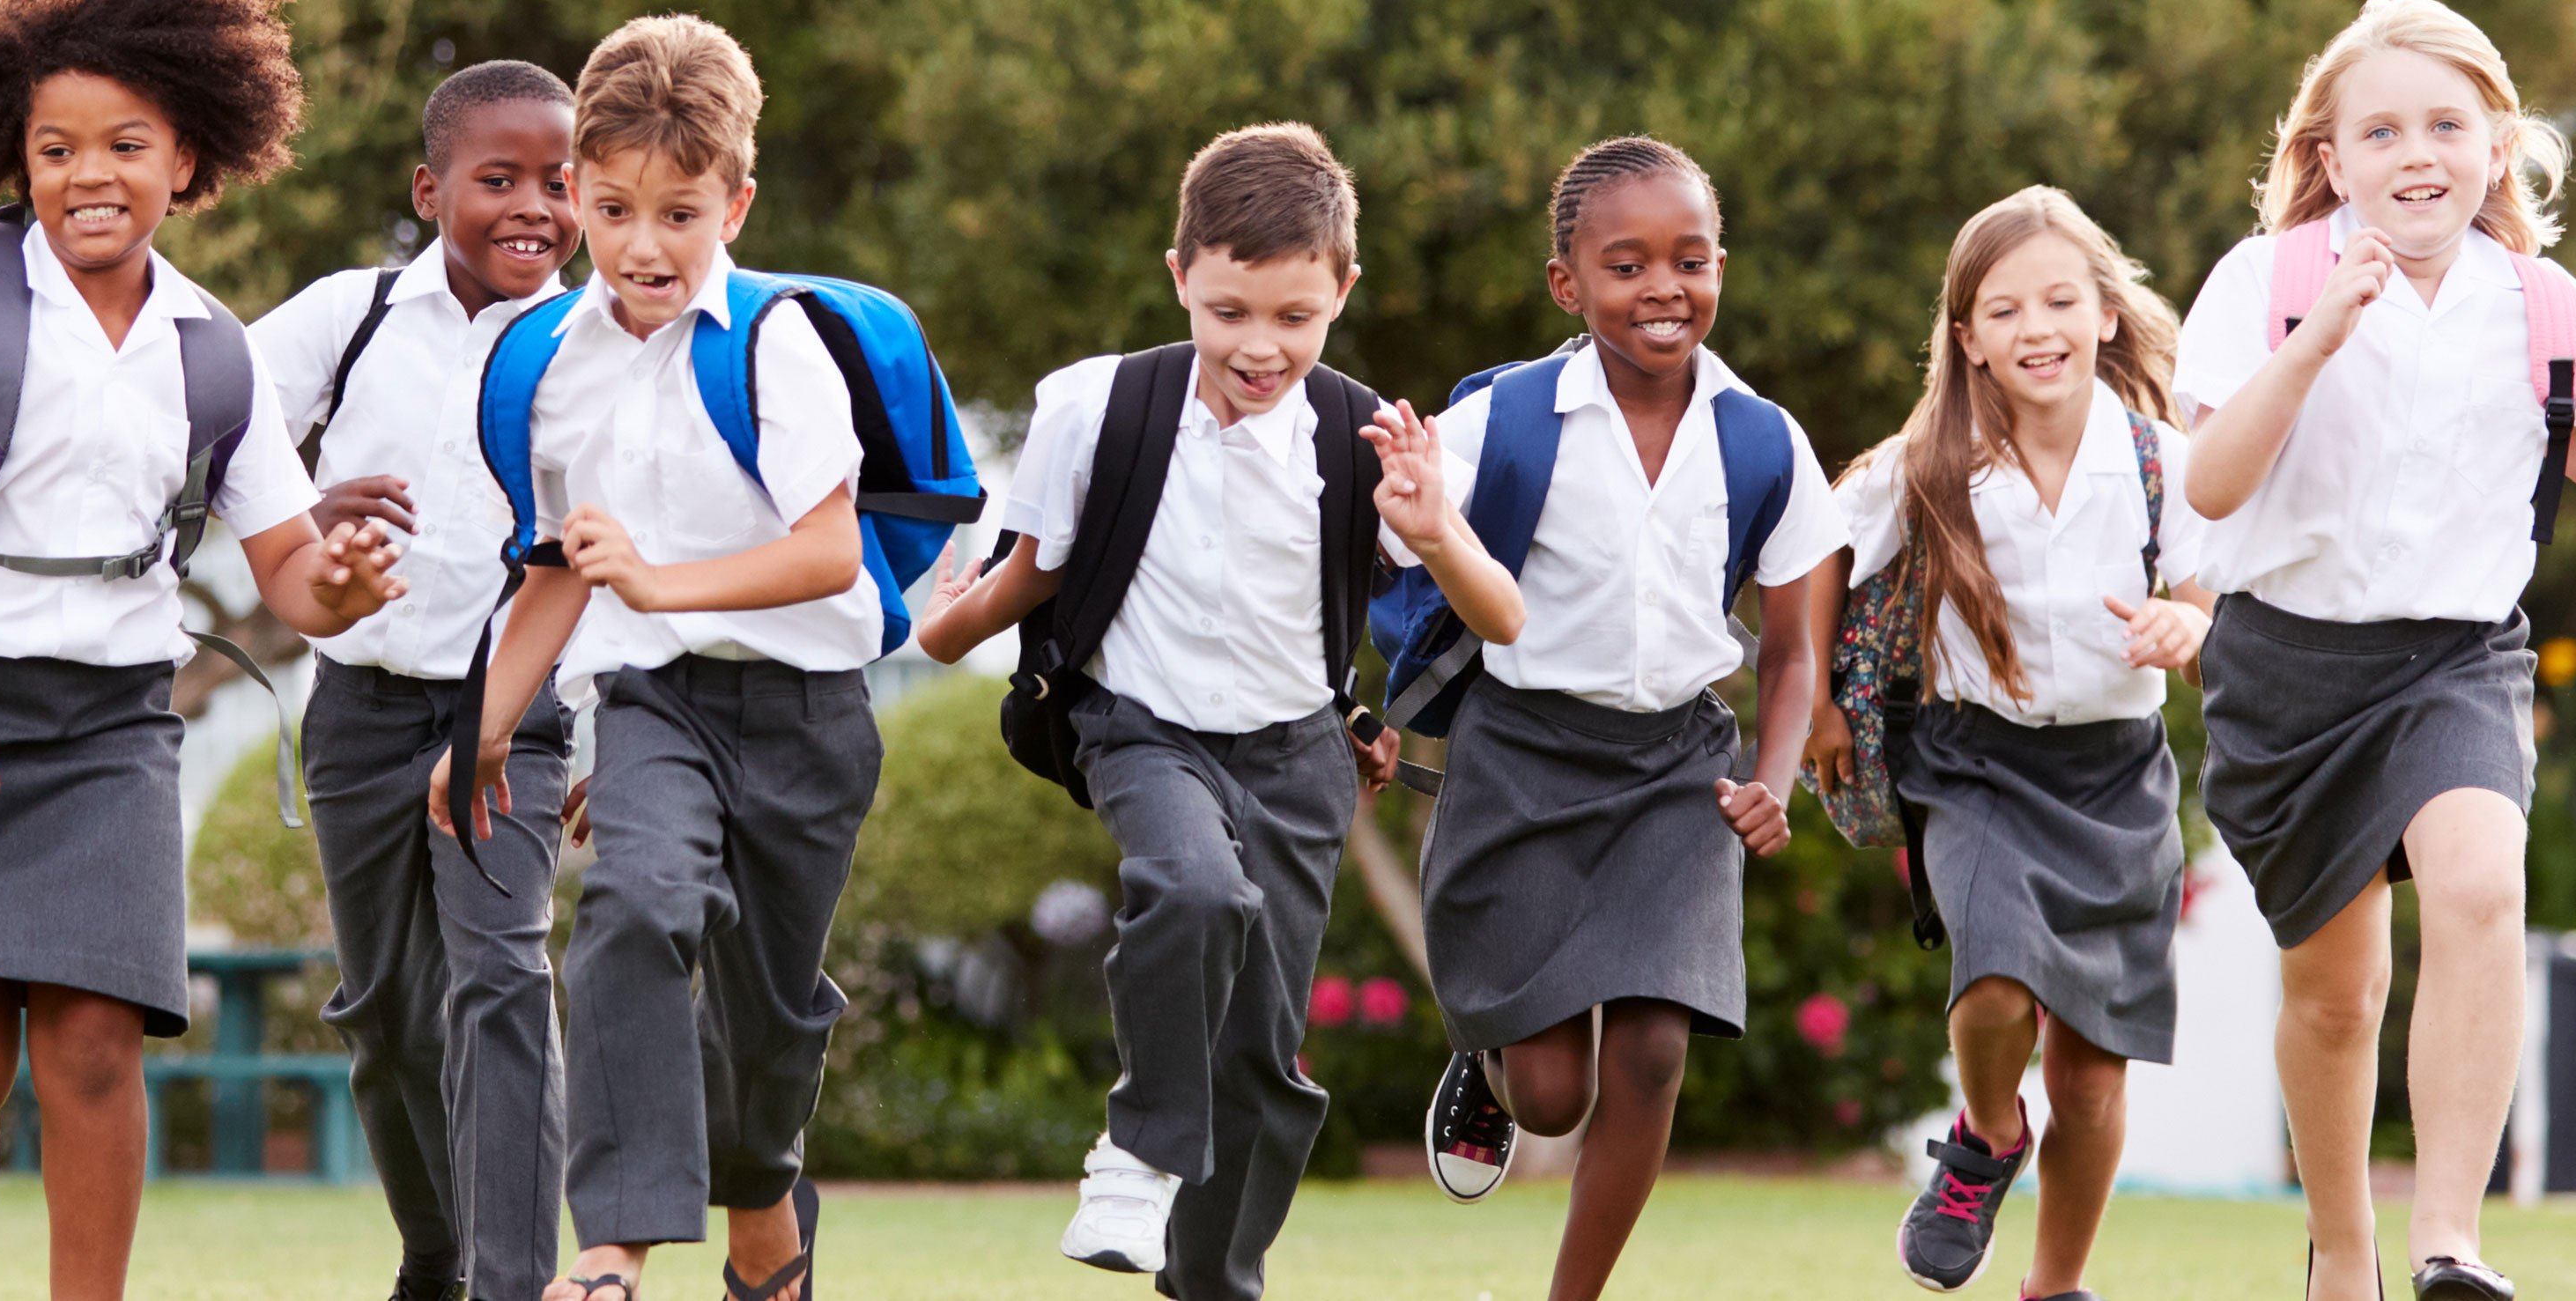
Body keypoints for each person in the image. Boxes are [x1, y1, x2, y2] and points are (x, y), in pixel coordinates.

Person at [0, 0, 407, 1301]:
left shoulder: (214, 351)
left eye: (125, 143)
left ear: (188, 159)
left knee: (92, 1045)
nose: (89, 175)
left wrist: (341, 588)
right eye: (55, 149)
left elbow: (291, 566)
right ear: (19, 162)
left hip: (112, 726)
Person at [2175, 0, 2576, 1301]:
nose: (2413, 151)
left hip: (2454, 659)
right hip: (2285, 668)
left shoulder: (2533, 301)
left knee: (2483, 886)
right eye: (2379, 129)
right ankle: (2343, 1248)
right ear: (2329, 157)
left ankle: (2448, 1241)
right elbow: (2205, 483)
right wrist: (2317, 338)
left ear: (2496, 146)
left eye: (2444, 123)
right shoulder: (2267, 282)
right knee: (2333, 995)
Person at [911, 123, 1522, 1300]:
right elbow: (1032, 571)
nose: (1260, 345)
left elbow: (1499, 619)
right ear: (1179, 274)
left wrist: (1435, 523)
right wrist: (936, 631)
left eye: (1293, 317)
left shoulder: (1367, 436)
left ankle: (1210, 1282)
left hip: (1296, 756)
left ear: (1341, 290)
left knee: (1263, 1066)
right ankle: (1137, 1148)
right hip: (1136, 726)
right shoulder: (1095, 406)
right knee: (1192, 887)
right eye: (1229, 309)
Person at [440, 13, 872, 1301]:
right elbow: (554, 572)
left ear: (734, 203)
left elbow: (828, 551)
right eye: (616, 207)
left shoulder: (774, 343)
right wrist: (483, 725)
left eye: (680, 215)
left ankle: (759, 1208)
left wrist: (661, 578)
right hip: (654, 703)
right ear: (573, 191)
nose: (644, 246)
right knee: (632, 907)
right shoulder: (540, 364)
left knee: (770, 1014)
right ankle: (614, 1249)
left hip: (807, 711)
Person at [1404, 137, 1845, 1301]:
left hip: (1676, 769)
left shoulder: (1762, 440)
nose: (1662, 287)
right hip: (1521, 756)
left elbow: (1795, 647)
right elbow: (1372, 543)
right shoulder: (1499, 422)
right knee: (1552, 1091)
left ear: (1718, 268)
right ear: (1567, 284)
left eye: (1688, 260)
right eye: (1625, 264)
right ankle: (1488, 1066)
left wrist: (1775, 773)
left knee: (1652, 1046)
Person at [1809, 187, 2215, 1299]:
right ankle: (1987, 1132)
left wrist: (2187, 624)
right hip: (1973, 762)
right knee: (1990, 987)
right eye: (2003, 308)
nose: (2034, 326)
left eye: (2057, 299)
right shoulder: (1923, 465)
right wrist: (1818, 703)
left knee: (2088, 1080)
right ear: (1967, 338)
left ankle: (2054, 1284)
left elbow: (2205, 601)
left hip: (2117, 781)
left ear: (2101, 316)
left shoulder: (2158, 460)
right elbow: (1809, 560)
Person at [248, 59, 582, 1301]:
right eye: (497, 179)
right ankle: (434, 1259)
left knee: (501, 982)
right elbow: (210, 428)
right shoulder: (355, 312)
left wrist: (592, 727)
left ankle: (509, 1284)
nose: (531, 208)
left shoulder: (594, 343)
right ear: (427, 184)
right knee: (385, 1017)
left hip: (512, 715)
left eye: (559, 182)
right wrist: (299, 495)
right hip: (357, 714)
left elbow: (604, 549)